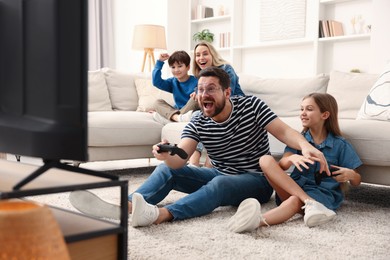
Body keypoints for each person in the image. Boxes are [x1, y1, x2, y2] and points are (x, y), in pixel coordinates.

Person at [69, 67, 330, 227]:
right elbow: (181, 157)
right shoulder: (198, 119)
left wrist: (305, 147)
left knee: (218, 186)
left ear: (227, 93)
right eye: (200, 89)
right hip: (219, 172)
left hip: (256, 180)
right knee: (165, 172)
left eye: (211, 89)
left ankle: (161, 215)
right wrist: (167, 153)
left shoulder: (252, 106)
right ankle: (126, 207)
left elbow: (285, 132)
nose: (204, 94)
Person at [228, 93, 362, 233]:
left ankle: (255, 221)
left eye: (309, 109)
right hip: (293, 188)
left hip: (321, 195)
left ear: (325, 115)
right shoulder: (298, 140)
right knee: (265, 160)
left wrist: (352, 175)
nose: (303, 114)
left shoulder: (340, 145)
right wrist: (291, 158)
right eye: (301, 109)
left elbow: (357, 180)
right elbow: (281, 166)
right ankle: (308, 203)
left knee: (293, 201)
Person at [190, 41, 245, 166]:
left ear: (212, 55)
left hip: (233, 107)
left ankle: (206, 167)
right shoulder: (202, 75)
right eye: (197, 55)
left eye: (205, 54)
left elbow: (224, 96)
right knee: (198, 117)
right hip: (214, 109)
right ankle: (194, 165)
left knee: (208, 120)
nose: (201, 58)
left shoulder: (226, 69)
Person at [151, 51, 198, 125]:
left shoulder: (196, 81)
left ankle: (171, 118)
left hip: (189, 111)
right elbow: (156, 82)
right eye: (173, 67)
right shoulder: (172, 82)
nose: (176, 70)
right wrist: (160, 62)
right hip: (178, 112)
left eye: (180, 66)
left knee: (196, 98)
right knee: (157, 102)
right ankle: (177, 118)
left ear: (188, 67)